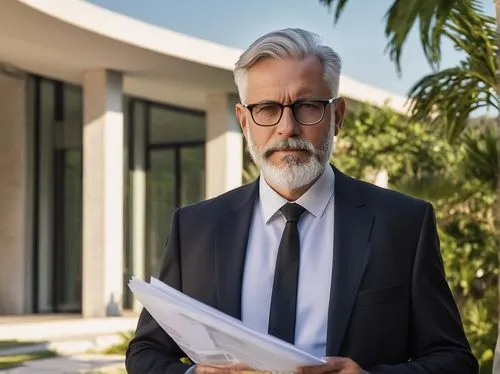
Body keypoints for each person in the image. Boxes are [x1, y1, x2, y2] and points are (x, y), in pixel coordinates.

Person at [125, 28, 478, 374]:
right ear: (244, 121)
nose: (287, 127)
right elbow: (146, 352)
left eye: (307, 106)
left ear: (337, 116)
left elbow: (454, 359)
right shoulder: (196, 228)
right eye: (266, 108)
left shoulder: (403, 223)